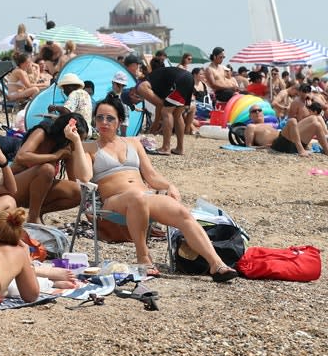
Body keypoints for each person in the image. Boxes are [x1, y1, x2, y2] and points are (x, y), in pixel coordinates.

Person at [71, 93, 239, 282]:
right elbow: (84, 177)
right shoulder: (89, 148)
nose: (104, 122)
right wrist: (77, 141)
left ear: (119, 121)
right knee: (137, 197)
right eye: (100, 117)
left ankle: (216, 265)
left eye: (110, 118)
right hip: (113, 201)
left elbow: (150, 175)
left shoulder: (133, 142)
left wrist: (169, 185)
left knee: (182, 213)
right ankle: (144, 258)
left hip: (145, 196)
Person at [11, 113, 88, 223]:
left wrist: (74, 155)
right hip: (15, 186)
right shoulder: (42, 133)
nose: (78, 143)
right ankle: (34, 217)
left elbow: (74, 181)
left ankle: (37, 212)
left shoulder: (67, 148)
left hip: (37, 193)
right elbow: (21, 156)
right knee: (47, 169)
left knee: (79, 192)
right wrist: (55, 156)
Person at [136, 67, 195, 155]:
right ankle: (179, 148)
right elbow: (161, 103)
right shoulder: (156, 81)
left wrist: (155, 124)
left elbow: (160, 105)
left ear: (132, 92)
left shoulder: (141, 87)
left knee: (166, 112)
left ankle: (166, 148)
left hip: (180, 79)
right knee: (177, 114)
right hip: (189, 78)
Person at [244, 103, 328, 157]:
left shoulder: (269, 124)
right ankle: (301, 150)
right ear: (250, 116)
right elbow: (249, 146)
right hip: (278, 145)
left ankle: (326, 150)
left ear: (262, 113)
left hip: (288, 141)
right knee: (292, 120)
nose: (257, 112)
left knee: (315, 120)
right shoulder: (251, 126)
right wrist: (263, 147)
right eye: (254, 111)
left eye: (259, 110)